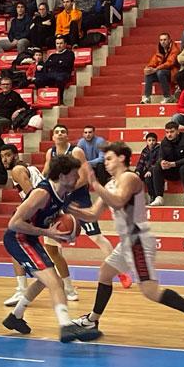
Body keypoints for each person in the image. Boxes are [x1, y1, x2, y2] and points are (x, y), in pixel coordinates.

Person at [69, 142, 184, 346]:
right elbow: (92, 215)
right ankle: (92, 320)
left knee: (150, 291)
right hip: (127, 242)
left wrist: (94, 184)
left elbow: (118, 201)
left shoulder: (130, 178)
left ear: (122, 158)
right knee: (105, 273)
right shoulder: (109, 184)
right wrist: (69, 208)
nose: (106, 163)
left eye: (109, 158)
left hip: (138, 242)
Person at [1, 153, 103, 343]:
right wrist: (47, 232)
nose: (77, 178)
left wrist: (105, 199)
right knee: (56, 282)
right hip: (17, 238)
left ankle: (15, 317)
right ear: (63, 176)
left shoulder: (63, 193)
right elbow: (13, 223)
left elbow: (87, 215)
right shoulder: (42, 194)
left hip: (29, 238)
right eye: (75, 174)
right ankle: (66, 327)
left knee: (45, 280)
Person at [44, 124, 130, 299]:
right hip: (58, 201)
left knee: (97, 237)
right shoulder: (50, 153)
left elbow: (84, 178)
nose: (60, 134)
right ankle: (65, 284)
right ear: (52, 136)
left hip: (78, 200)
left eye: (63, 131)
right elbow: (46, 173)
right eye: (57, 132)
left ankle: (120, 270)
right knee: (53, 244)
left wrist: (65, 190)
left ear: (68, 136)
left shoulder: (76, 152)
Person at [0, 143, 44, 305]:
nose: (5, 159)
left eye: (8, 155)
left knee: (14, 245)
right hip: (41, 210)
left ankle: (23, 290)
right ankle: (50, 282)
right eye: (2, 156)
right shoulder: (29, 168)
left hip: (36, 211)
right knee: (21, 249)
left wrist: (22, 213)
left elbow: (32, 194)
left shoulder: (18, 170)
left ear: (16, 156)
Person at [149, 121, 184, 207]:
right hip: (174, 168)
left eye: (172, 132)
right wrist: (162, 162)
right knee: (156, 167)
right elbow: (160, 156)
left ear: (178, 131)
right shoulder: (164, 142)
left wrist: (174, 164)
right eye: (167, 132)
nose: (169, 135)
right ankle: (159, 197)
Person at [142, 33, 180, 103]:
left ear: (169, 40)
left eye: (165, 40)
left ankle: (167, 97)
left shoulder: (175, 49)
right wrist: (148, 68)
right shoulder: (159, 50)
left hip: (173, 73)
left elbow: (170, 63)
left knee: (160, 72)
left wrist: (156, 69)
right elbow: (153, 61)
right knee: (149, 74)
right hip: (162, 74)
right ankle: (147, 97)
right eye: (161, 40)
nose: (163, 42)